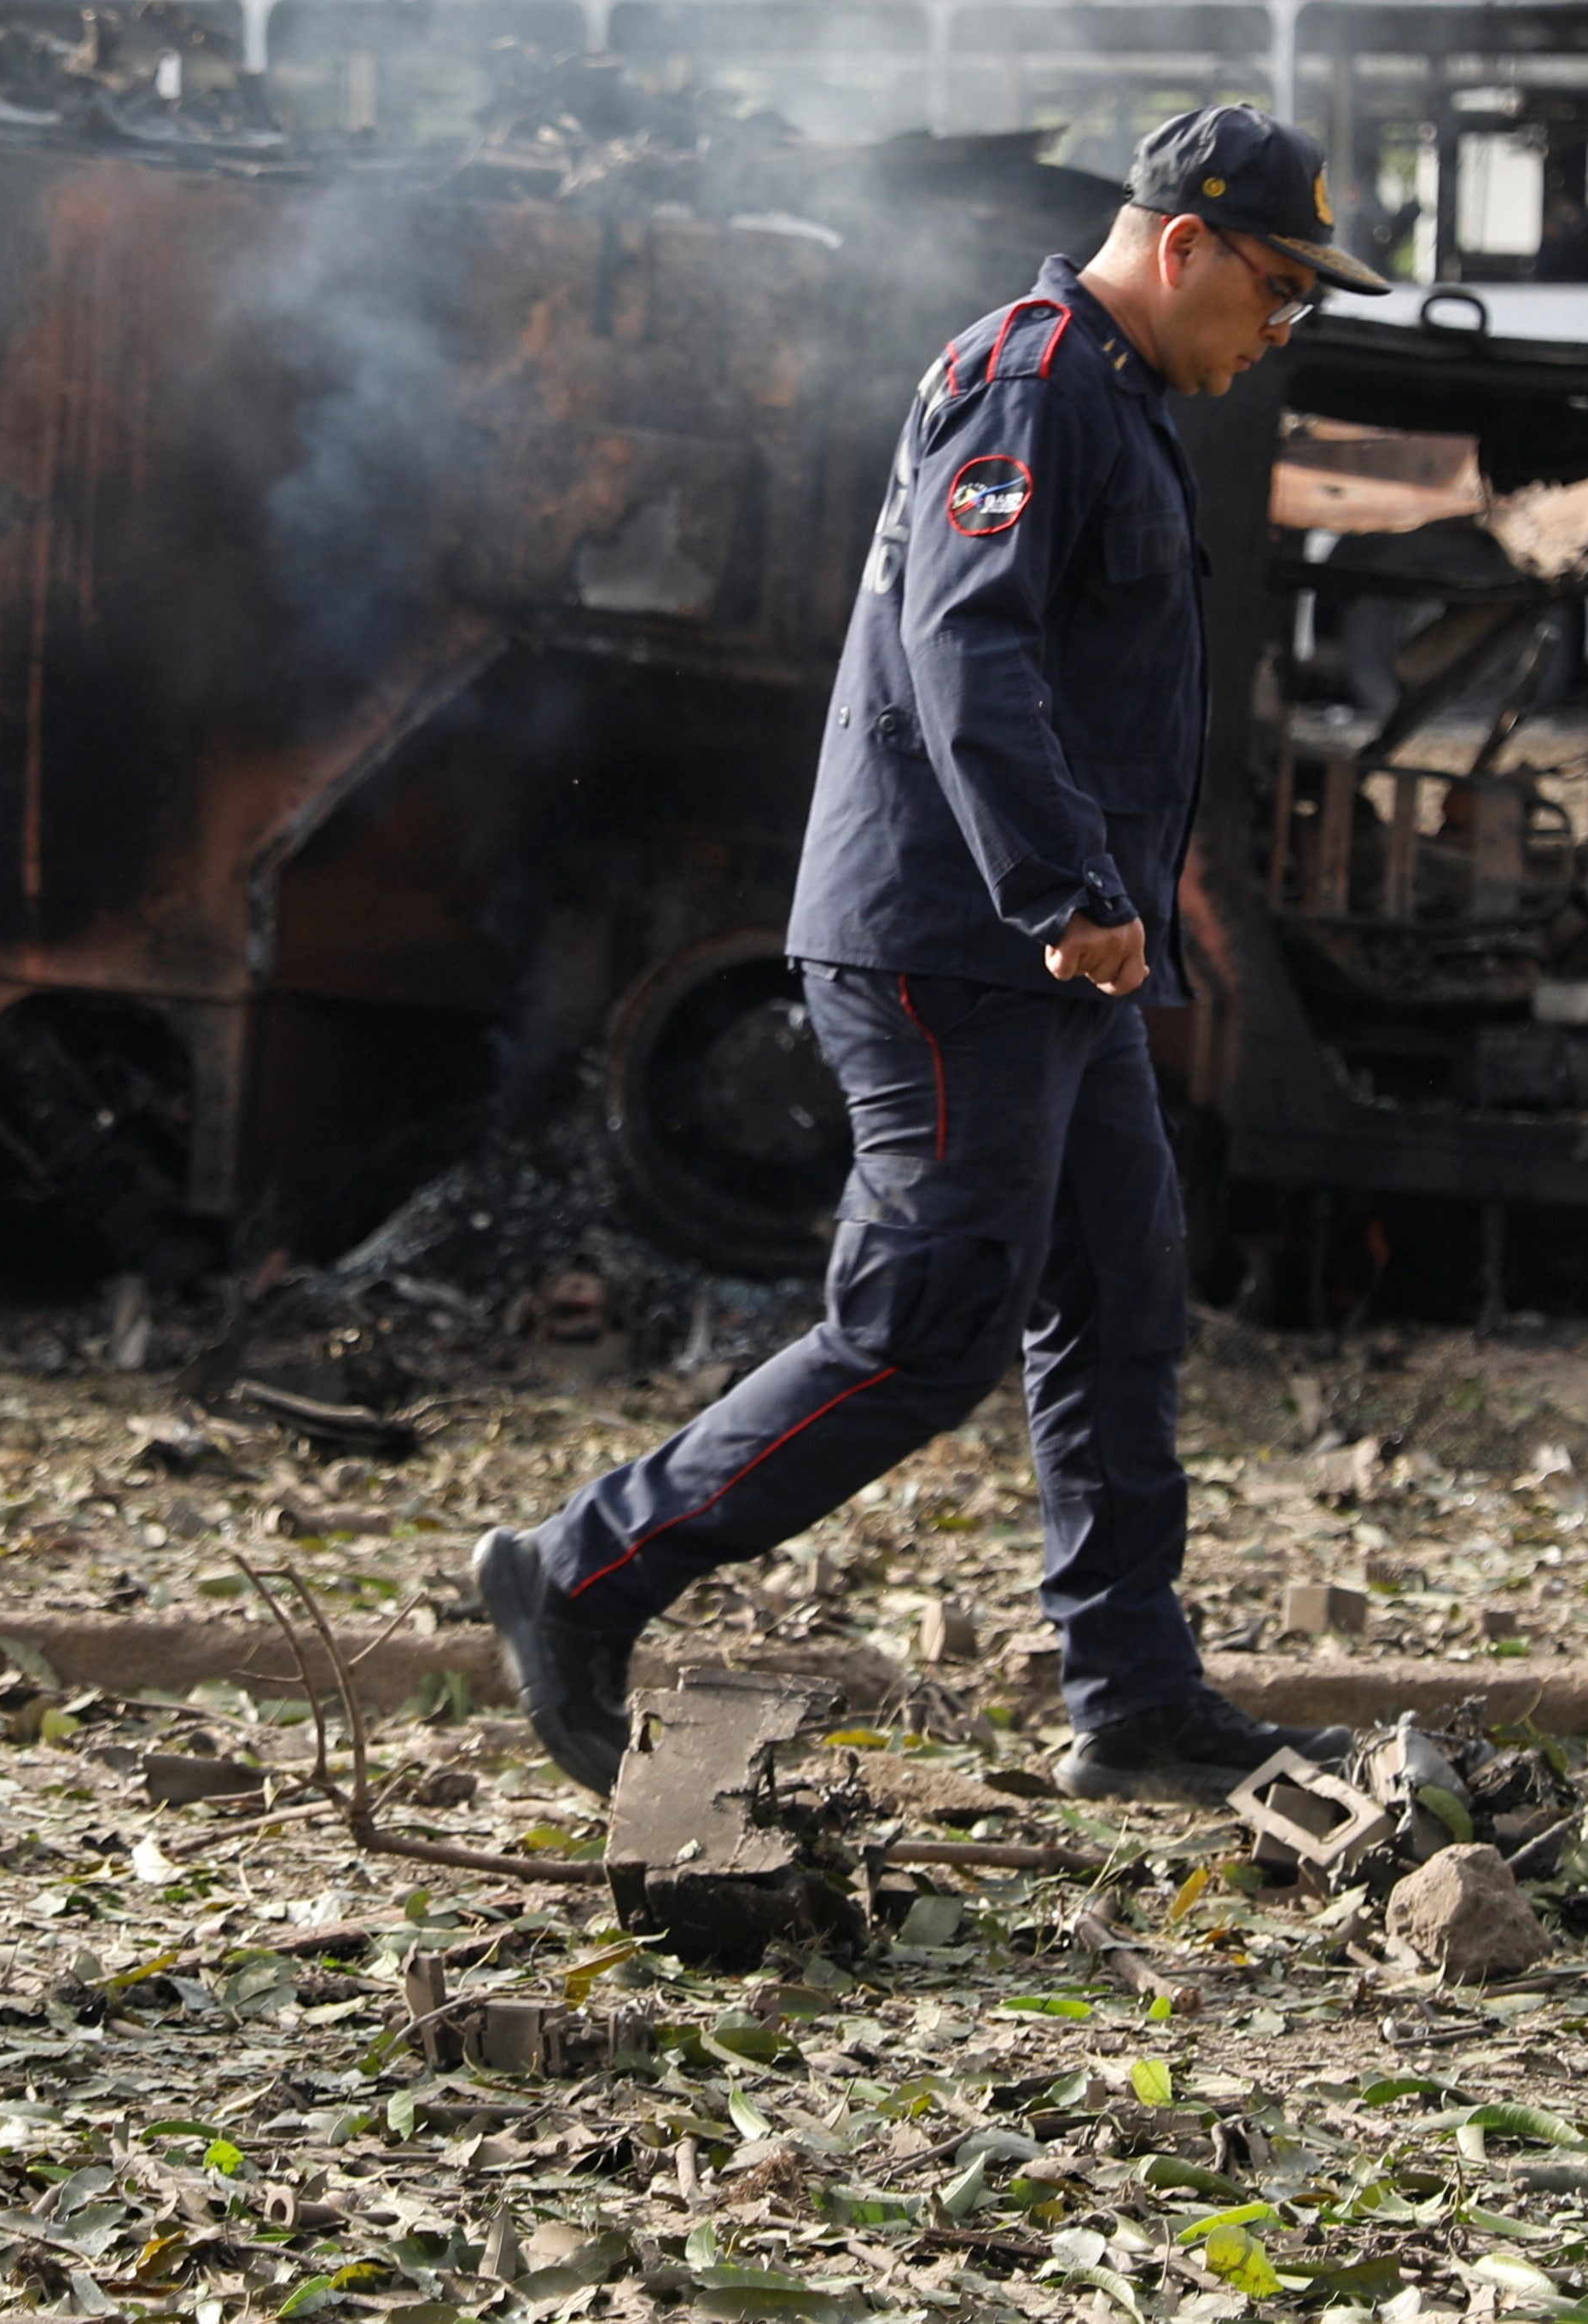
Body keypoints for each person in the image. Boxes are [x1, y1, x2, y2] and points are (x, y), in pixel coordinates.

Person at [474, 102, 1391, 1805]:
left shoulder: (1112, 396)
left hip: (1047, 954)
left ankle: (1133, 1701)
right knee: (922, 1331)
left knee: (1120, 1293)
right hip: (967, 945)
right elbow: (969, 649)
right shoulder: (1032, 381)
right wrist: (1067, 894)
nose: (1284, 330)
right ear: (1182, 245)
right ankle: (580, 1571)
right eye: (1278, 291)